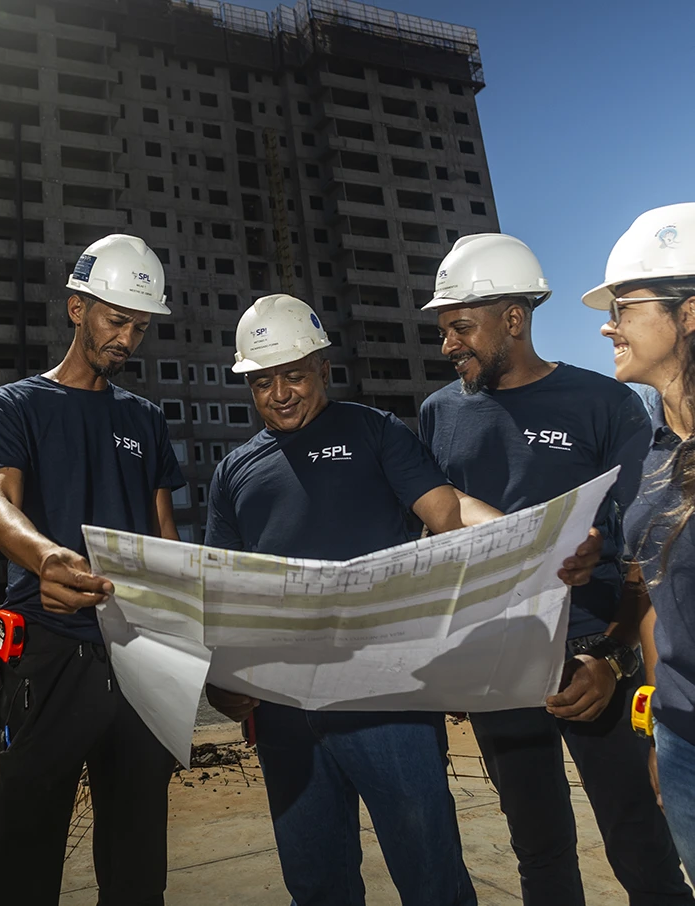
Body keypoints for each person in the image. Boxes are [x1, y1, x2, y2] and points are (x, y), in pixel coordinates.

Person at [204, 293, 601, 906]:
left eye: (293, 375)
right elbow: (221, 588)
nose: (279, 393)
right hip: (283, 708)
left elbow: (448, 511)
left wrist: (536, 543)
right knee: (315, 882)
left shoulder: (372, 431)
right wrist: (220, 677)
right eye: (261, 382)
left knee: (429, 873)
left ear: (322, 369)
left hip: (386, 696)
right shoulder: (234, 472)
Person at [419, 233, 692, 906]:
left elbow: (650, 548)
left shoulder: (602, 403)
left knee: (640, 841)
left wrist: (611, 652)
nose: (447, 345)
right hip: (494, 660)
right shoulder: (439, 415)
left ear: (513, 319)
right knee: (538, 848)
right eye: (443, 330)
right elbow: (435, 530)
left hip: (591, 654)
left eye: (460, 327)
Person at [0, 234, 186, 906]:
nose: (127, 339)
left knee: (137, 862)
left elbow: (164, 537)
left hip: (139, 653)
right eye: (115, 320)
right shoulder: (17, 406)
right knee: (26, 856)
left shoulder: (146, 420)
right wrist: (45, 556)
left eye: (140, 327)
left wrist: (183, 622)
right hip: (50, 652)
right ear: (75, 308)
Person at [584, 201, 695, 881]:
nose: (608, 324)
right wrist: (658, 728)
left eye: (626, 307)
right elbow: (653, 599)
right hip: (684, 737)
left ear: (690, 313)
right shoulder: (655, 453)